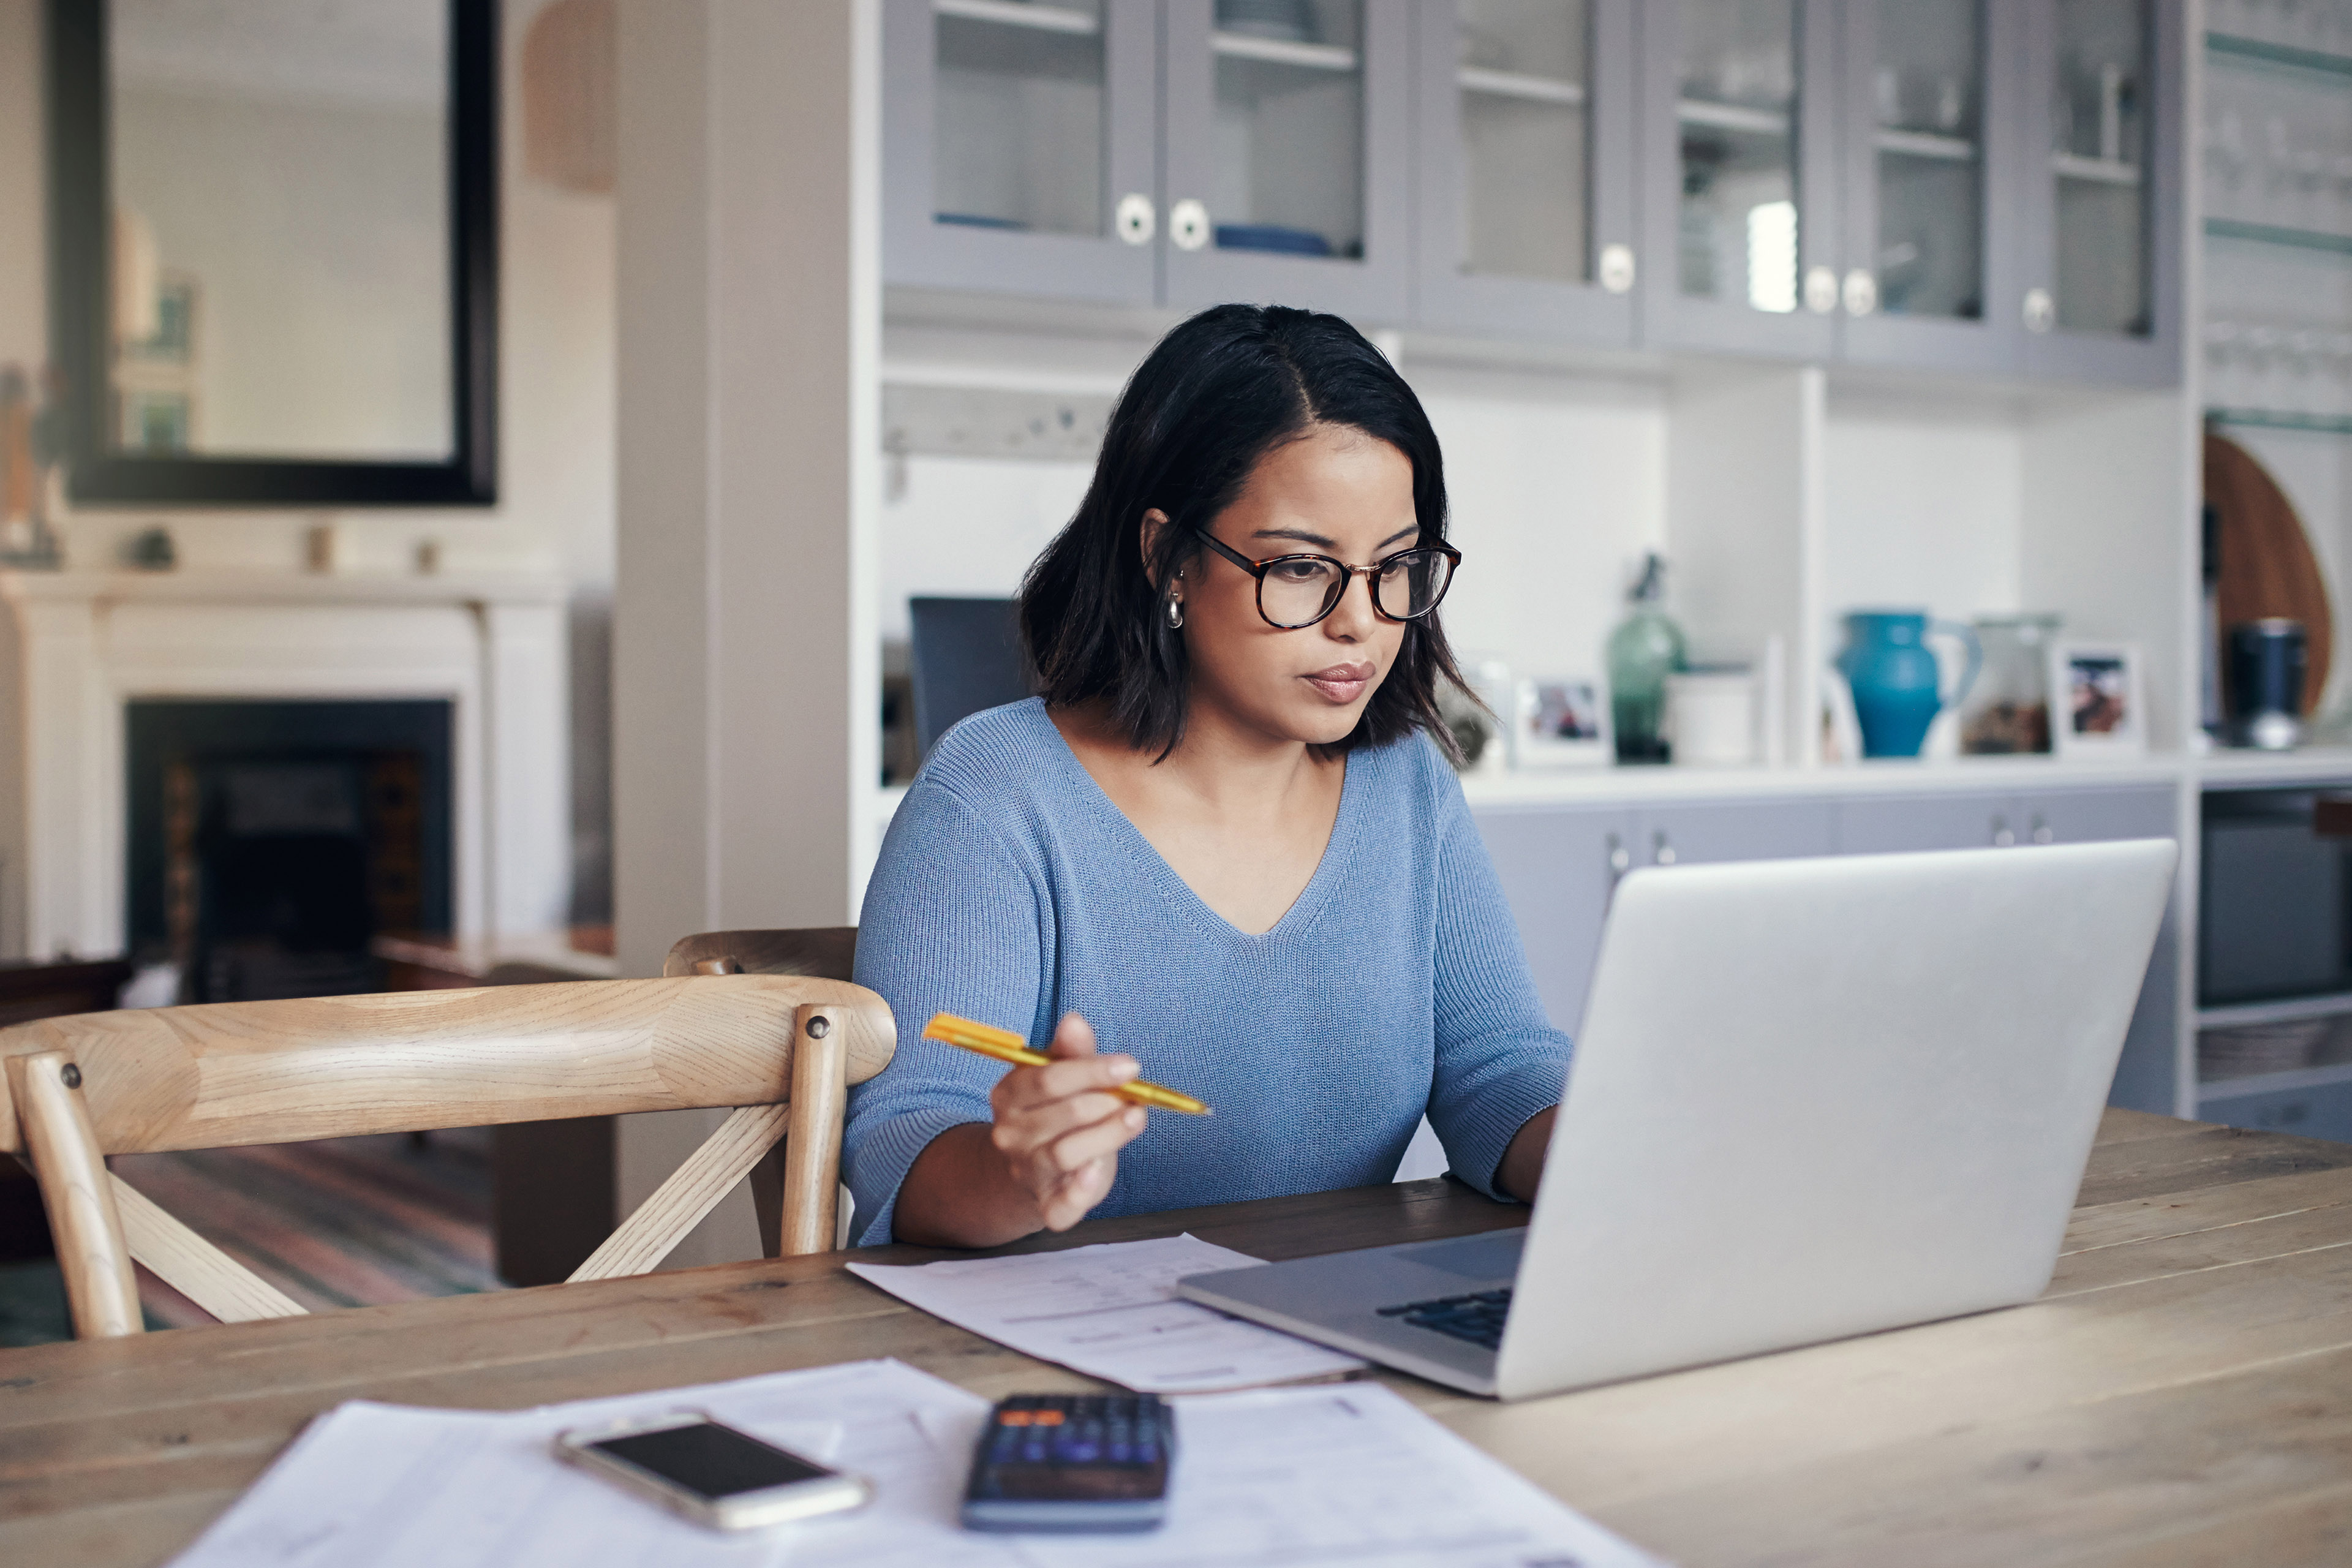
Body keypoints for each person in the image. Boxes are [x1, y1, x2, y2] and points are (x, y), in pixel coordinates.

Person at [843, 303, 1570, 1249]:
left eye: (1397, 566)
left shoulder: (1407, 787)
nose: (1361, 622)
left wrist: (1622, 1152)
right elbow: (906, 1145)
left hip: (1329, 1336)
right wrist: (1016, 1172)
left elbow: (1496, 1070)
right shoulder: (997, 794)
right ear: (1169, 558)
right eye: (1304, 568)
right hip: (1058, 1363)